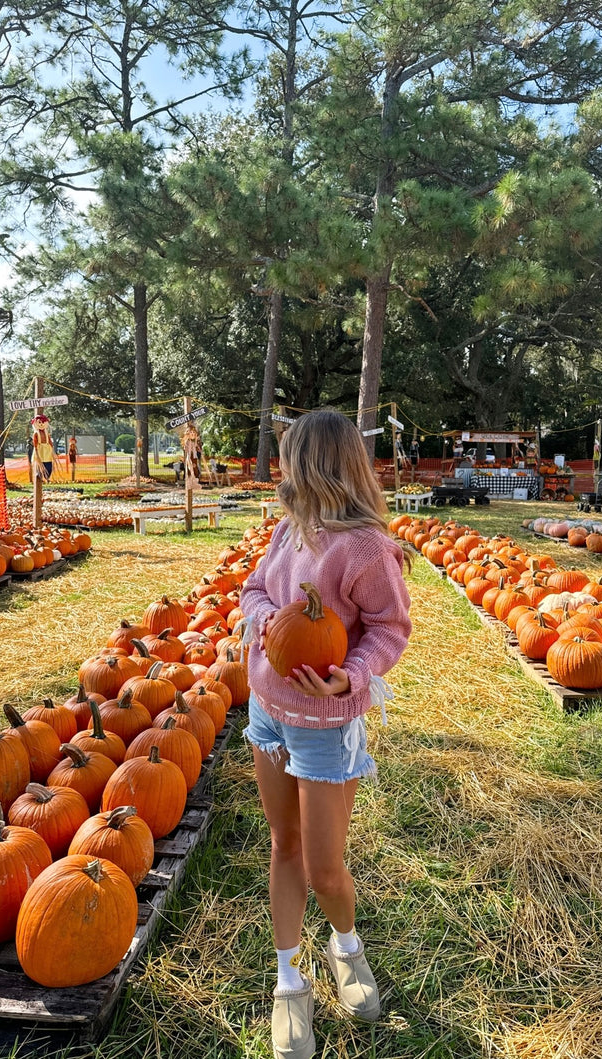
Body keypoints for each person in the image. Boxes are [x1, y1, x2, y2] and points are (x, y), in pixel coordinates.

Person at [239, 409, 412, 1059]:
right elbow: (253, 591)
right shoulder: (290, 529)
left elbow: (389, 628)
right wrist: (269, 620)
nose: (282, 469)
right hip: (268, 710)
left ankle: (347, 945)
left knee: (325, 867)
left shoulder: (365, 547)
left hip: (326, 726)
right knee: (283, 845)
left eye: (289, 458)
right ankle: (289, 980)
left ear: (314, 463)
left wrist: (352, 677)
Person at [31, 413, 54, 481]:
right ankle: (39, 473)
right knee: (39, 462)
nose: (41, 424)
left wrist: (52, 448)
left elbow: (49, 440)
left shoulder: (47, 433)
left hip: (47, 450)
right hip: (40, 449)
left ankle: (47, 475)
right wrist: (36, 449)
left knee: (48, 462)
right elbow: (35, 442)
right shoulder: (36, 433)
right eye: (39, 422)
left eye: (43, 422)